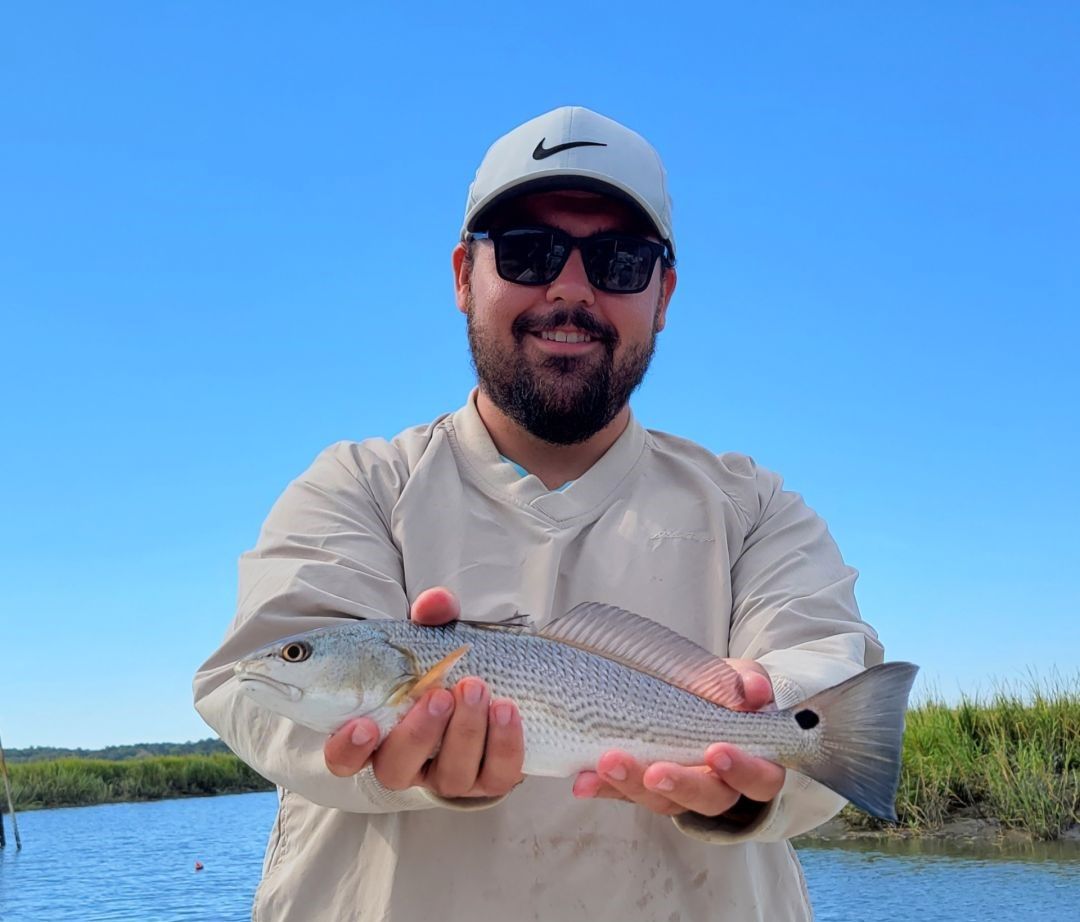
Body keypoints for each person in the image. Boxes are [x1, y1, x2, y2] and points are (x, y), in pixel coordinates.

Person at [194, 106, 884, 922]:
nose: (569, 289)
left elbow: (827, 675)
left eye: (619, 261)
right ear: (462, 276)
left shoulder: (754, 508)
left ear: (663, 293)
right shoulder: (357, 485)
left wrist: (759, 756)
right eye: (527, 252)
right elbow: (247, 686)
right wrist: (392, 759)